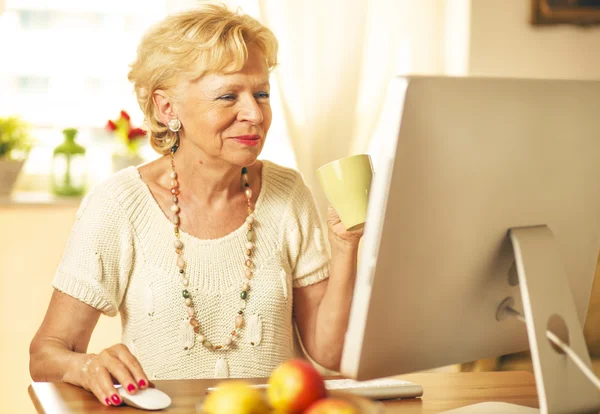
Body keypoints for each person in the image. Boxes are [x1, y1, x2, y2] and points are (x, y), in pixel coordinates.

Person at [29, 4, 363, 407]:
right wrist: (86, 366)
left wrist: (345, 245)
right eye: (228, 96)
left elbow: (328, 353)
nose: (254, 114)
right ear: (167, 108)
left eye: (261, 93)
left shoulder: (289, 192)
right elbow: (46, 352)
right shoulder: (119, 204)